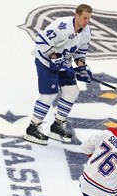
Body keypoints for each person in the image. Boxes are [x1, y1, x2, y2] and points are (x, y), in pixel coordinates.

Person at [23, 4, 93, 145]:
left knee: (72, 91)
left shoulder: (86, 32)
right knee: (49, 95)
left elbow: (80, 52)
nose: (87, 21)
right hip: (46, 62)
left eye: (89, 19)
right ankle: (32, 128)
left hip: (64, 64)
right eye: (84, 18)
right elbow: (41, 42)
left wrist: (81, 67)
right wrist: (53, 56)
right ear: (77, 15)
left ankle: (57, 126)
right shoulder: (61, 26)